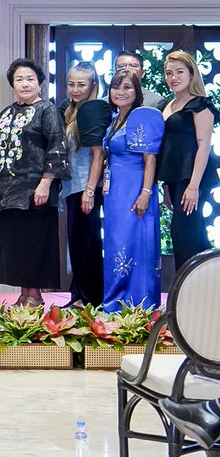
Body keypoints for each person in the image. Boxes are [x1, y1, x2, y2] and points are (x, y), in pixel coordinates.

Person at [0, 58, 69, 308]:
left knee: (36, 243)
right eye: (19, 80)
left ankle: (35, 294)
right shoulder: (6, 112)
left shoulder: (48, 110)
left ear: (40, 84)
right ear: (12, 85)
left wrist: (45, 183)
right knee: (17, 245)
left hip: (36, 189)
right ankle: (24, 293)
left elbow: (57, 148)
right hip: (8, 192)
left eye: (30, 79)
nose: (24, 84)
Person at [101, 71, 164, 311]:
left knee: (135, 240)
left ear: (137, 92)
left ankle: (138, 303)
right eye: (116, 87)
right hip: (114, 190)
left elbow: (150, 161)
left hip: (134, 185)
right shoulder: (115, 118)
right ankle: (115, 301)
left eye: (127, 87)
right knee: (117, 242)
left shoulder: (142, 118)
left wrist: (145, 192)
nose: (120, 92)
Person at [158, 50, 219, 268]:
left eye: (179, 72)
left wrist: (193, 186)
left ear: (192, 74)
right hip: (174, 178)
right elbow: (168, 148)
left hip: (193, 177)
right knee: (191, 232)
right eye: (168, 73)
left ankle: (188, 291)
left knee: (185, 233)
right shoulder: (166, 105)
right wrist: (166, 185)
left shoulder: (200, 104)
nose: (173, 77)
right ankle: (206, 286)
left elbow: (203, 147)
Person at [59, 63, 110, 308]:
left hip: (86, 187)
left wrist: (90, 190)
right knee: (77, 242)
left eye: (81, 84)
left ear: (93, 85)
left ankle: (91, 299)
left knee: (87, 242)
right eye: (71, 84)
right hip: (72, 187)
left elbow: (98, 155)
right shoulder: (70, 111)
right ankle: (78, 295)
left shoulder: (94, 111)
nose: (75, 89)